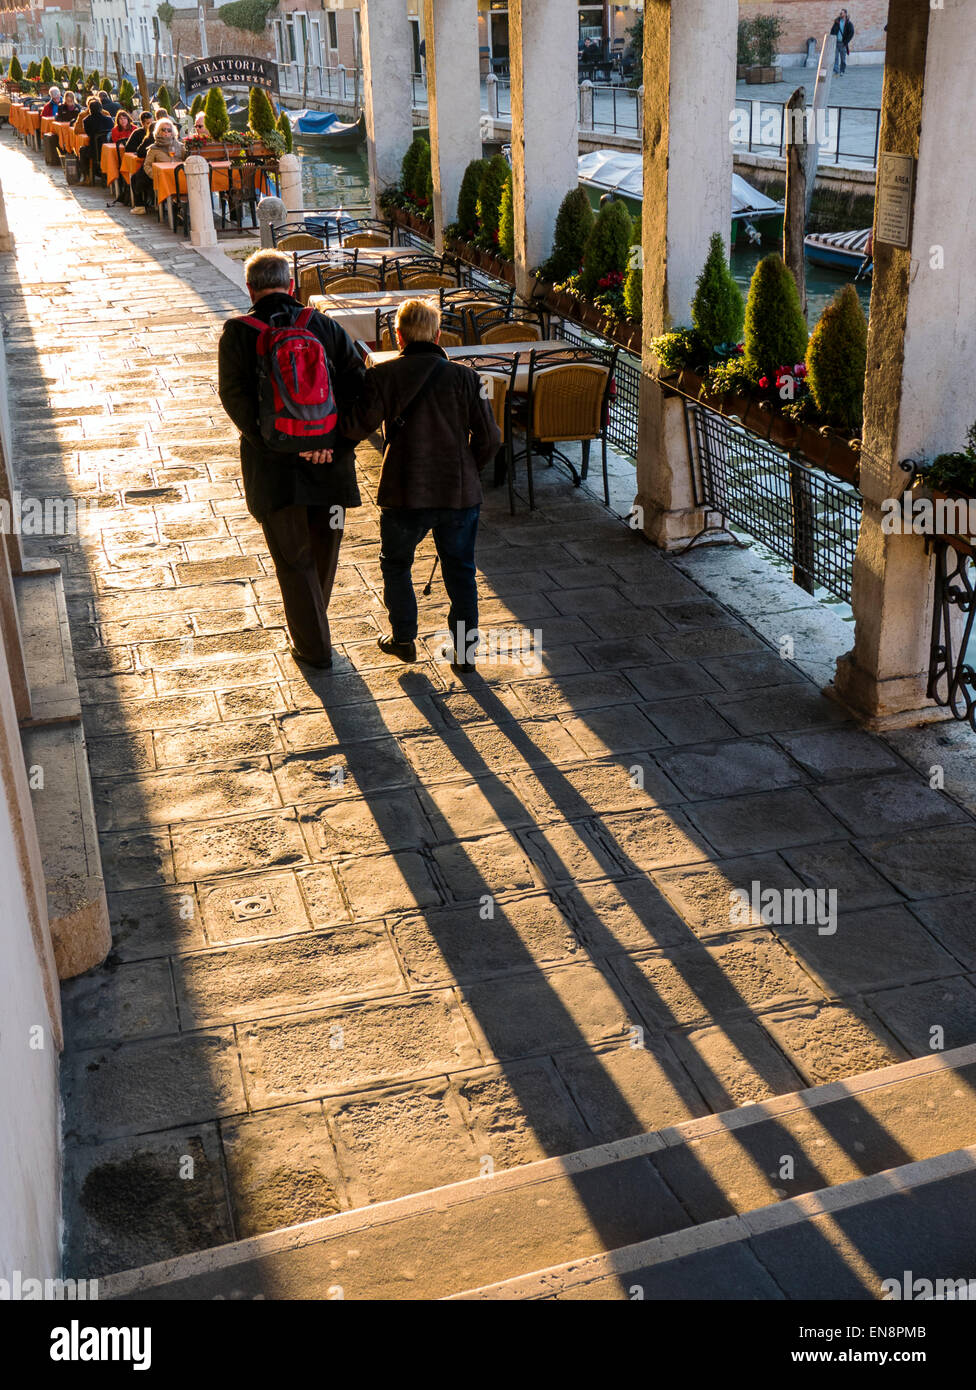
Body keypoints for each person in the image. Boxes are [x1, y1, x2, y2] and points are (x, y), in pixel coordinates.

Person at [217, 250, 366, 670]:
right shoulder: (326, 327)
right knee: (325, 550)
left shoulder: (237, 334)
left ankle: (314, 647)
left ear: (250, 288)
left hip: (276, 475)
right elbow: (360, 389)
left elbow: (235, 400)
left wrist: (284, 447)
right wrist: (333, 444)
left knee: (293, 561)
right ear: (293, 285)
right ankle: (314, 631)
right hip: (331, 472)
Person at [342, 298, 501, 672]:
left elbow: (355, 427)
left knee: (396, 564)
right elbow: (490, 438)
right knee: (461, 570)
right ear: (438, 333)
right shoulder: (467, 378)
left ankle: (403, 638)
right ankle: (464, 654)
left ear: (398, 335)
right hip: (457, 494)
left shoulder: (383, 375)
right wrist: (468, 469)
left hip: (404, 493)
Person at [129, 115, 183, 214]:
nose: (166, 132)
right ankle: (141, 206)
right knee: (136, 177)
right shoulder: (153, 148)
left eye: (169, 130)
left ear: (173, 132)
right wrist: (155, 176)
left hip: (178, 178)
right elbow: (147, 165)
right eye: (163, 130)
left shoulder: (180, 146)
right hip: (161, 178)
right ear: (158, 131)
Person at [78, 97, 113, 184]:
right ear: (101, 109)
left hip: (95, 151)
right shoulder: (108, 119)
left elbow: (88, 133)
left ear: (89, 109)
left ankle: (86, 175)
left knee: (82, 150)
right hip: (108, 150)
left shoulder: (86, 120)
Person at [831, 10, 855, 74]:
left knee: (843, 58)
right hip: (836, 42)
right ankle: (836, 70)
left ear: (845, 14)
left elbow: (851, 33)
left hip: (843, 43)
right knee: (835, 57)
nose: (840, 13)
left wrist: (846, 42)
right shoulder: (837, 22)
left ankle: (842, 70)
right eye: (840, 12)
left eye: (842, 12)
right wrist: (832, 39)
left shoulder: (848, 23)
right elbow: (832, 31)